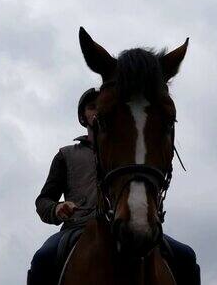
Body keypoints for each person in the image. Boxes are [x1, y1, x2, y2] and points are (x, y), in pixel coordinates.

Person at [28, 88, 200, 285]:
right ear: (83, 116)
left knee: (186, 257)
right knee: (42, 258)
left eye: (101, 106)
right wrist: (56, 208)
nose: (97, 111)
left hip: (129, 221)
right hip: (78, 228)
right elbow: (43, 200)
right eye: (92, 107)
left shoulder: (125, 147)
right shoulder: (66, 155)